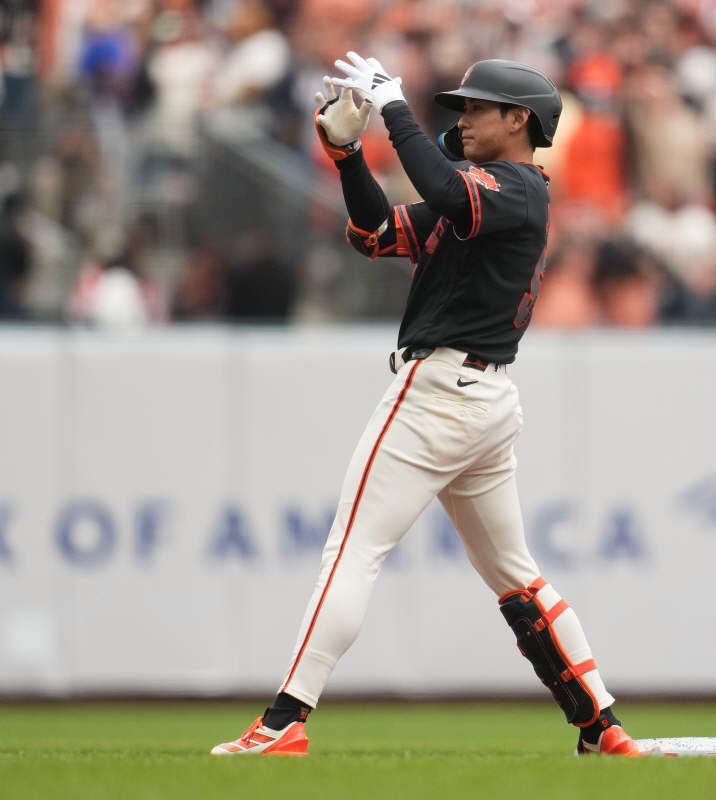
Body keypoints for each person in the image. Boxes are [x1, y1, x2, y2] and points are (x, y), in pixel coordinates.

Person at [212, 54, 638, 757]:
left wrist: (393, 109)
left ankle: (284, 720)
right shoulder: (481, 193)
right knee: (516, 575)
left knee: (352, 550)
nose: (462, 116)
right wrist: (347, 156)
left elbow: (447, 190)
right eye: (460, 107)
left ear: (519, 121)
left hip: (440, 392)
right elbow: (375, 233)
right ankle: (601, 726)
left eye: (477, 107)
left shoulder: (518, 188)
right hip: (481, 397)